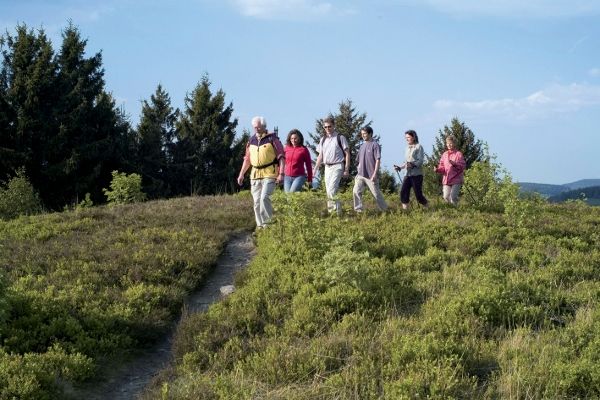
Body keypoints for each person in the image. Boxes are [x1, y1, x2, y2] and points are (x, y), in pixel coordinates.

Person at [237, 116, 285, 228]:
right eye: (254, 127)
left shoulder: (273, 139)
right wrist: (241, 174)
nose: (256, 129)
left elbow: (281, 157)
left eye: (258, 127)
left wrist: (281, 173)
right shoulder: (251, 141)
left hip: (269, 173)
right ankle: (260, 227)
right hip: (255, 175)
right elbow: (247, 159)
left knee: (264, 198)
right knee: (257, 203)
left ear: (264, 126)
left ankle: (267, 225)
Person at [313, 116, 350, 215]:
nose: (327, 129)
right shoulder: (323, 139)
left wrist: (346, 169)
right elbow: (320, 155)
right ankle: (332, 213)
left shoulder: (340, 138)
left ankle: (337, 212)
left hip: (338, 166)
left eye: (329, 126)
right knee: (329, 191)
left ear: (334, 126)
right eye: (325, 127)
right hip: (327, 167)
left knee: (332, 189)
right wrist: (315, 169)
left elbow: (347, 154)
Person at [353, 126, 388, 213]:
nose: (363, 135)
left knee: (376, 194)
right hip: (360, 174)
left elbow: (378, 159)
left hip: (371, 175)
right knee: (356, 191)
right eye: (362, 134)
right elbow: (358, 160)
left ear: (370, 134)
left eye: (364, 134)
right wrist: (358, 168)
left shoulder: (375, 145)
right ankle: (359, 211)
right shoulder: (362, 146)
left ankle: (385, 211)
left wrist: (375, 173)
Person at [394, 129, 428, 209]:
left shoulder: (419, 147)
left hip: (417, 175)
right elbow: (406, 162)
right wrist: (399, 167)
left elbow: (420, 161)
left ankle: (428, 207)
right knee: (403, 192)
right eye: (406, 137)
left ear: (413, 137)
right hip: (407, 174)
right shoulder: (406, 148)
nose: (406, 139)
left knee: (418, 195)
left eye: (408, 137)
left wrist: (412, 164)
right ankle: (406, 211)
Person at [434, 135, 466, 205]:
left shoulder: (458, 154)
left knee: (453, 197)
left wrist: (455, 164)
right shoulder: (444, 154)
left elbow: (463, 166)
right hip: (447, 179)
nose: (449, 145)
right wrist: (437, 169)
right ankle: (450, 209)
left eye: (451, 143)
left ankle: (456, 210)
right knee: (445, 196)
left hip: (456, 179)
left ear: (454, 144)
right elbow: (442, 167)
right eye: (447, 143)